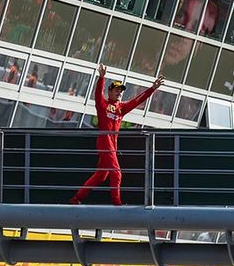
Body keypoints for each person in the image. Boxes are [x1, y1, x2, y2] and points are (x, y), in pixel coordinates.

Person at [69, 64, 163, 206]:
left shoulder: (121, 108)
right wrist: (101, 77)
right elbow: (97, 94)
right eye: (117, 90)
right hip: (104, 143)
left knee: (101, 175)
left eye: (121, 91)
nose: (119, 93)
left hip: (112, 145)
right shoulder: (103, 105)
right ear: (110, 91)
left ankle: (76, 199)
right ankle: (117, 204)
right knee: (117, 173)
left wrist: (152, 88)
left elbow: (138, 100)